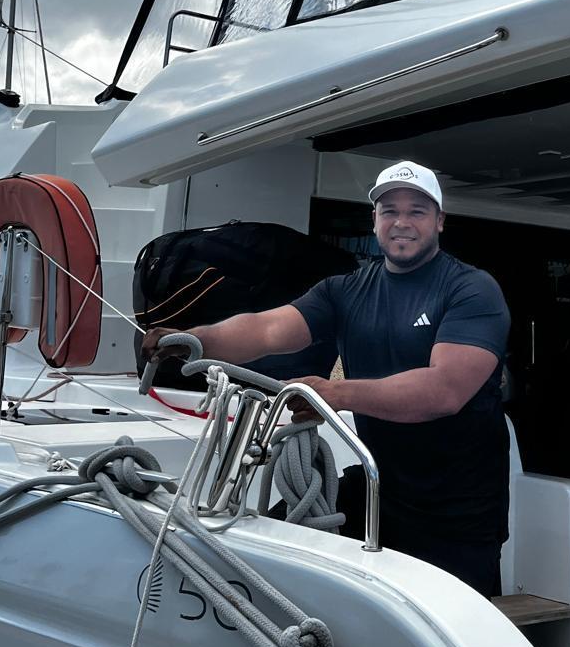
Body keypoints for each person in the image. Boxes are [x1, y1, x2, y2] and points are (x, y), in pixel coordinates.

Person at [142, 161, 511, 595]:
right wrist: (195, 339)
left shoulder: (471, 289)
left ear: (440, 221)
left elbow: (444, 391)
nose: (402, 222)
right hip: (381, 492)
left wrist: (333, 393)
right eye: (389, 210)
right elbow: (266, 329)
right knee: (279, 560)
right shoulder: (346, 290)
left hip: (458, 516)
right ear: (374, 220)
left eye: (417, 211)